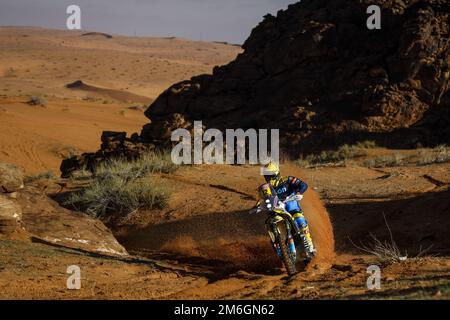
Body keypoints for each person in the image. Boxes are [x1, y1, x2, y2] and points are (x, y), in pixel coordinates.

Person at [254, 162, 316, 256]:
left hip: (291, 205)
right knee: (270, 223)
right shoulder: (265, 188)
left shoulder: (287, 180)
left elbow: (303, 185)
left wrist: (299, 193)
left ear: (276, 174)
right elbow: (262, 198)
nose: (268, 178)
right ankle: (278, 245)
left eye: (270, 175)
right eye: (267, 175)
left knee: (300, 221)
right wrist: (258, 206)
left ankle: (310, 246)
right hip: (277, 209)